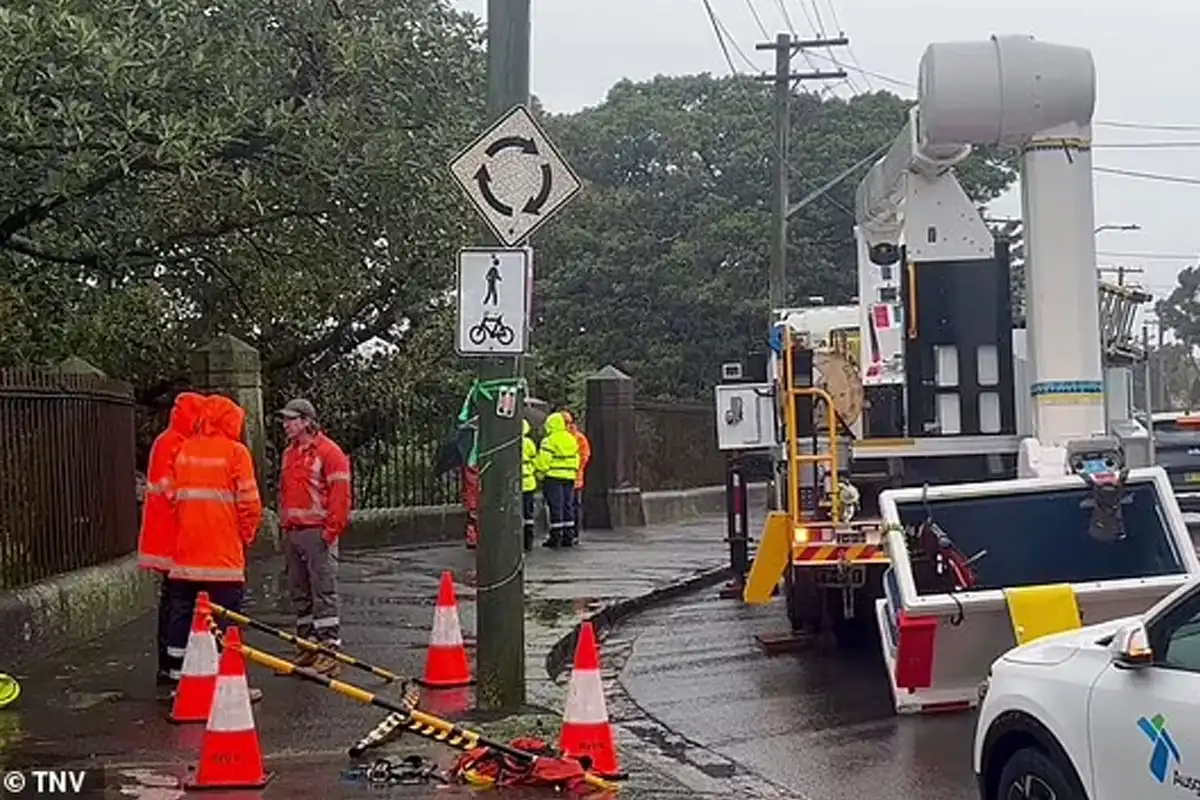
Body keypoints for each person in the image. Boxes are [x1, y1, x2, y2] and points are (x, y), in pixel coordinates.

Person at [164, 394, 263, 700]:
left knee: (181, 615)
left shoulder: (184, 451)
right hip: (222, 557)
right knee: (226, 622)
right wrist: (245, 537)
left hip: (185, 556)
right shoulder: (236, 453)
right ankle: (227, 680)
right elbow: (249, 504)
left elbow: (172, 498)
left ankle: (178, 677)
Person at [278, 398, 352, 674]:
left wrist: (330, 531)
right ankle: (308, 645)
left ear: (307, 421)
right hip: (295, 531)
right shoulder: (290, 453)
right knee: (300, 592)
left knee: (324, 592)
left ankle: (329, 649)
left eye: (290, 419)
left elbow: (340, 497)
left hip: (317, 531)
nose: (285, 425)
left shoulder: (329, 452)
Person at [139, 391, 205, 689]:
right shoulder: (173, 443)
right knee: (176, 601)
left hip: (166, 534)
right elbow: (172, 489)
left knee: (173, 599)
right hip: (171, 535)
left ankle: (168, 661)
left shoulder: (169, 440)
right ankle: (169, 663)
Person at [534, 411, 580, 548]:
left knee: (556, 507)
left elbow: (543, 461)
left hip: (553, 477)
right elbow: (577, 457)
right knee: (568, 505)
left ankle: (555, 537)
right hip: (569, 477)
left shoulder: (549, 441)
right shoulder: (571, 439)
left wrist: (539, 475)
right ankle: (569, 536)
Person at [561, 411, 591, 541]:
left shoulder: (578, 437)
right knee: (569, 505)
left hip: (573, 478)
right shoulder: (575, 437)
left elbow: (584, 456)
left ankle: (573, 532)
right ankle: (569, 532)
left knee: (572, 505)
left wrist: (576, 469)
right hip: (571, 476)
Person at [521, 419, 538, 552]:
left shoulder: (511, 444)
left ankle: (517, 540)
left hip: (516, 483)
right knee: (528, 514)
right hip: (529, 482)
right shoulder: (529, 443)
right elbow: (535, 460)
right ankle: (529, 540)